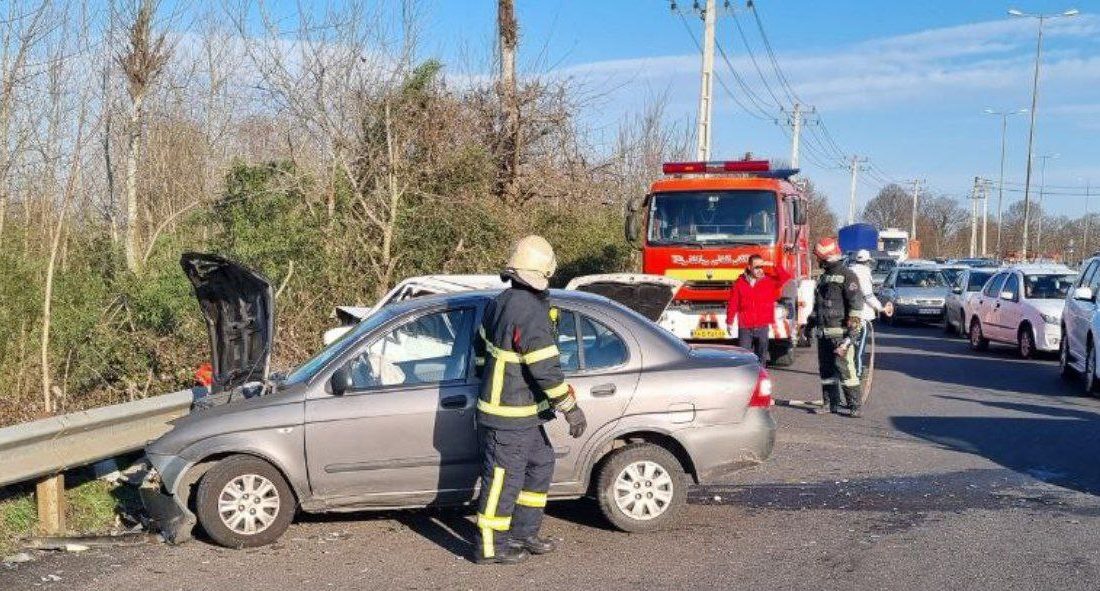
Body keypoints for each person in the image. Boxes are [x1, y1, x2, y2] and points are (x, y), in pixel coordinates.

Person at [473, 235, 588, 565]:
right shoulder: (529, 311)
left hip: (522, 414)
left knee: (540, 464)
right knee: (503, 480)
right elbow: (546, 370)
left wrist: (490, 379)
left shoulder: (501, 301)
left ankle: (524, 533)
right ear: (545, 271)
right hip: (509, 415)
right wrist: (571, 408)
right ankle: (490, 547)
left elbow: (481, 352)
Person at [808, 237, 866, 417]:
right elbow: (818, 305)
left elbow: (856, 307)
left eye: (819, 257)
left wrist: (851, 336)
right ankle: (830, 403)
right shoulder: (823, 277)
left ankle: (854, 405)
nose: (817, 260)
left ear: (826, 257)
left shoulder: (848, 275)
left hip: (840, 335)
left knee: (845, 370)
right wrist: (809, 325)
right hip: (824, 333)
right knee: (826, 371)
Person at [725, 255, 792, 364]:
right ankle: (746, 376)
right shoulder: (739, 283)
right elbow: (733, 304)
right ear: (749, 267)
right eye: (757, 267)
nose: (760, 270)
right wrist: (729, 322)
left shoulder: (769, 281)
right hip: (745, 326)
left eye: (762, 267)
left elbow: (785, 277)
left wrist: (775, 265)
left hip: (762, 325)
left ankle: (760, 377)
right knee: (743, 356)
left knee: (761, 356)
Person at [847, 249, 892, 375]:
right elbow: (868, 295)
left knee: (850, 342)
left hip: (849, 313)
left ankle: (849, 370)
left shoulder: (849, 271)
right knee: (860, 345)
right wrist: (881, 308)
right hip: (862, 315)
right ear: (867, 262)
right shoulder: (864, 273)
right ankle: (858, 371)